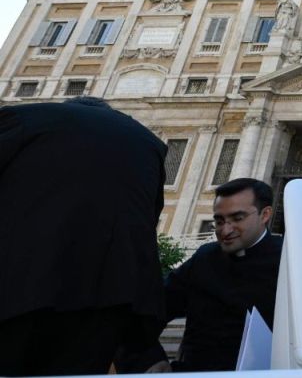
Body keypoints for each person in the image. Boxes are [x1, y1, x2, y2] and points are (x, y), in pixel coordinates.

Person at [0, 97, 166, 377]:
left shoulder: (26, 117)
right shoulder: (149, 143)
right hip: (108, 299)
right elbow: (150, 218)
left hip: (17, 283)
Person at [119, 178, 282, 373]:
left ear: (265, 215)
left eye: (237, 218)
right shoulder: (204, 259)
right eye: (219, 221)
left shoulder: (289, 262)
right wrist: (150, 359)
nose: (225, 230)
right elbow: (148, 311)